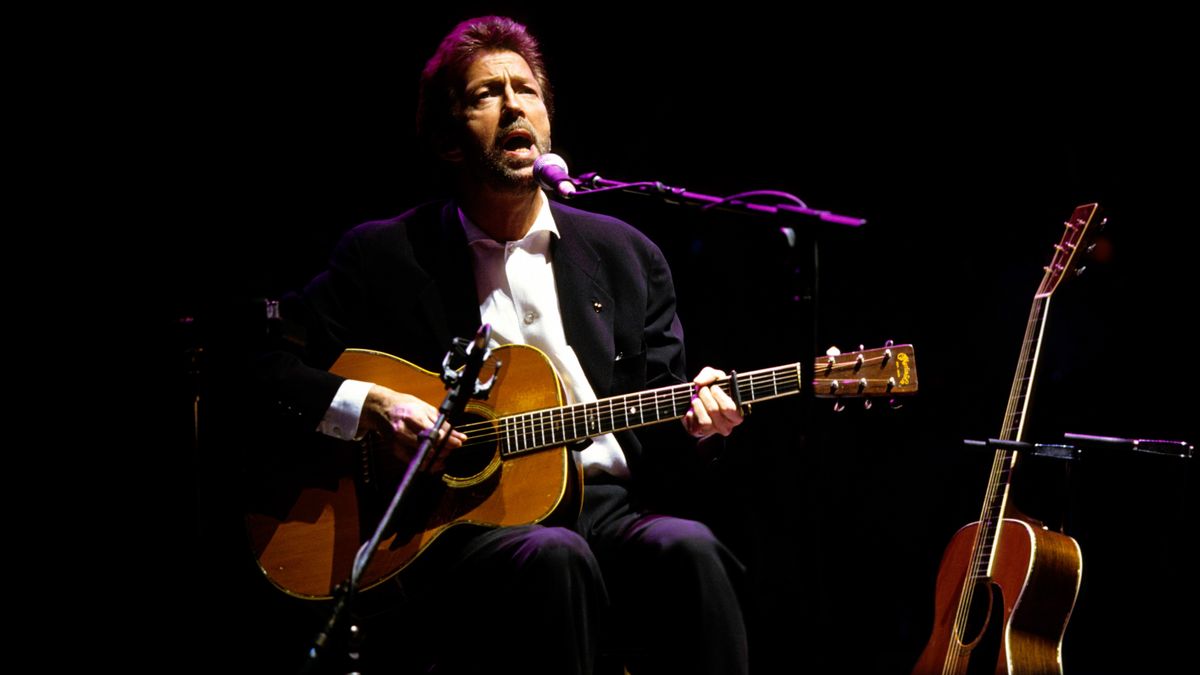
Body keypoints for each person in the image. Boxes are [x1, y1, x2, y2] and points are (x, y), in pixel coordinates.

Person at [257, 15, 749, 674]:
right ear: (448, 138)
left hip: (607, 513)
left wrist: (701, 425)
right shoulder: (385, 257)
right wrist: (370, 405)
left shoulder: (628, 256)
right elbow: (263, 364)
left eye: (528, 90)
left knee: (688, 546)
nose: (514, 103)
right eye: (486, 93)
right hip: (455, 534)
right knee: (550, 555)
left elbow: (661, 444)